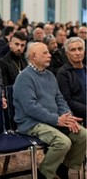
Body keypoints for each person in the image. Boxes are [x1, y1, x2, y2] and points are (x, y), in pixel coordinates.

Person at [13, 42, 86, 179]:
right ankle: (44, 173)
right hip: (31, 123)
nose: (49, 55)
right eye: (45, 53)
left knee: (83, 135)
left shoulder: (50, 75)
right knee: (63, 142)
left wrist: (68, 116)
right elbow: (31, 108)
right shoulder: (24, 78)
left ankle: (62, 167)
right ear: (34, 56)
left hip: (52, 120)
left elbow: (60, 99)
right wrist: (57, 120)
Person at [57, 37, 86, 127]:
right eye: (73, 50)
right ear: (67, 53)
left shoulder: (85, 69)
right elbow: (67, 100)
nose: (77, 53)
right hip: (79, 117)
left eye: (80, 49)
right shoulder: (63, 73)